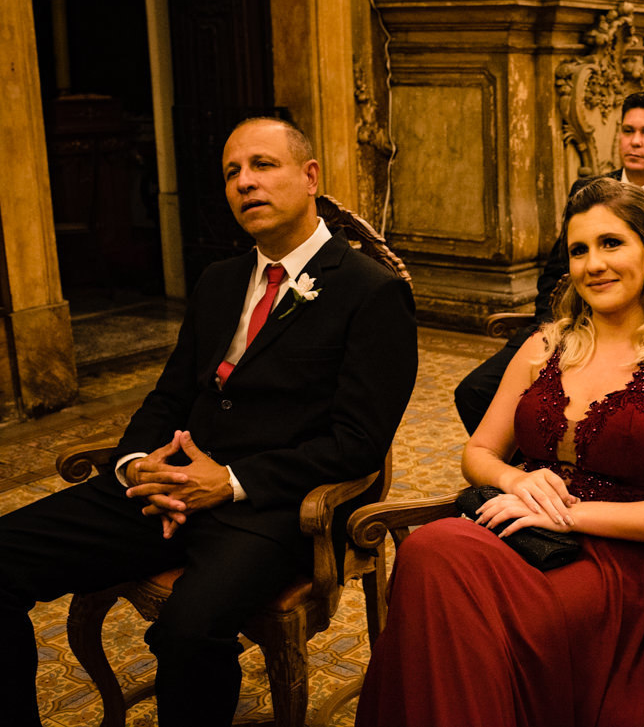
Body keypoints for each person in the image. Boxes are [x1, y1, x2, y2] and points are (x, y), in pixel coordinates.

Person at [0, 118, 419, 727]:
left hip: (266, 508)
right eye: (231, 172)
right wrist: (136, 463)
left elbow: (356, 444)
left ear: (309, 178)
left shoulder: (370, 292)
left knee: (190, 633)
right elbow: (170, 394)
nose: (245, 182)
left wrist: (229, 481)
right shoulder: (219, 281)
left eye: (262, 165)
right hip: (165, 488)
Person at [355, 179, 644, 727]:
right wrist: (515, 483)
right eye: (578, 250)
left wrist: (567, 515)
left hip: (614, 564)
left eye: (611, 243)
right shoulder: (545, 346)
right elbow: (480, 452)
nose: (593, 264)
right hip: (518, 532)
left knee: (440, 564)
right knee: (430, 553)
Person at [454, 91, 644, 434]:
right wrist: (553, 332)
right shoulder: (588, 190)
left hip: (643, 339)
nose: (635, 142)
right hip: (569, 325)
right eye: (628, 131)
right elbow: (555, 273)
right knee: (474, 391)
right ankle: (529, 461)